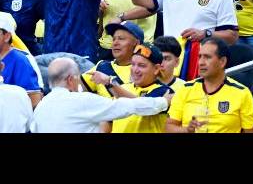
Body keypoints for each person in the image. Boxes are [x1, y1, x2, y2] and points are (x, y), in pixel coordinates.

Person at [30, 57, 171, 133]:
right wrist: (163, 102)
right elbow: (126, 106)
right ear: (70, 79)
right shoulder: (81, 101)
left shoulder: (41, 108)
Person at [166, 37, 253, 133]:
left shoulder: (241, 93)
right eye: (199, 57)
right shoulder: (185, 89)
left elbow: (249, 131)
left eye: (207, 57)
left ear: (222, 62)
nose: (201, 62)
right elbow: (168, 127)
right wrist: (186, 130)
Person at [108, 42, 173, 133]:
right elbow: (108, 119)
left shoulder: (165, 92)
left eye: (141, 66)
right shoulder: (123, 88)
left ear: (156, 69)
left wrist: (110, 84)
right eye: (133, 64)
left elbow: (142, 106)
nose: (135, 70)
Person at [82, 20, 142, 96]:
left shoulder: (144, 71)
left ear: (136, 43)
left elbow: (142, 105)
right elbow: (76, 88)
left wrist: (109, 82)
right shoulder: (102, 66)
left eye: (121, 38)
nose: (115, 43)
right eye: (113, 39)